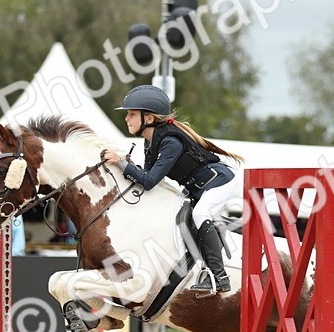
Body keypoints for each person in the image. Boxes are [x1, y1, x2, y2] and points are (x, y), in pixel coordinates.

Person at [103, 85, 242, 295]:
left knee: (200, 213)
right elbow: (147, 178)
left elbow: (148, 181)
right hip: (198, 188)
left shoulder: (170, 142)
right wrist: (127, 166)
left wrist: (121, 163)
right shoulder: (151, 142)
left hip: (219, 181)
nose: (127, 118)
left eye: (131, 114)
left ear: (148, 119)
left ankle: (220, 277)